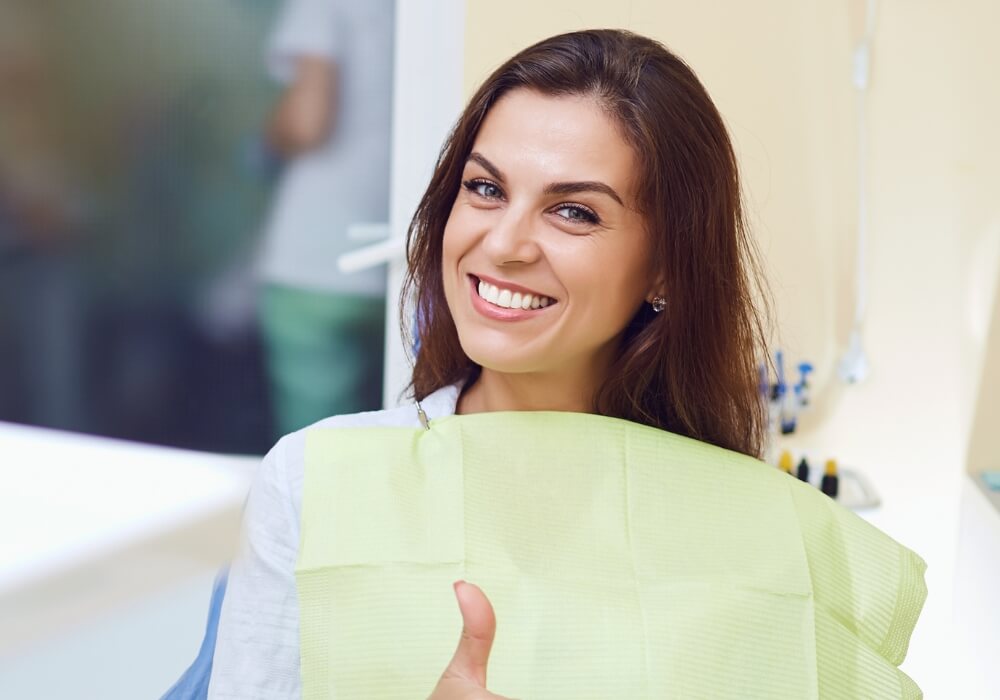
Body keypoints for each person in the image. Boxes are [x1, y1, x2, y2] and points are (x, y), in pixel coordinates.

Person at [207, 29, 923, 699]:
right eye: (485, 189)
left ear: (667, 268)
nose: (506, 243)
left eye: (574, 212)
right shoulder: (317, 484)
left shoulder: (775, 545)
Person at [256, 0, 394, 438]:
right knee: (384, 434)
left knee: (311, 454)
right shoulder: (421, 15)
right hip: (398, 251)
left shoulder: (323, 5)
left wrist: (268, 136)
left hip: (315, 263)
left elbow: (307, 122)